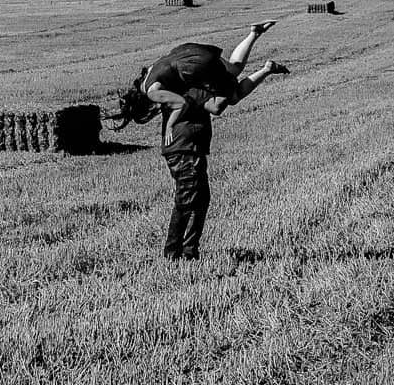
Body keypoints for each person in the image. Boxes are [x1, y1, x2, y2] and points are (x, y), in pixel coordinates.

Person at [109, 21, 288, 260]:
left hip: (190, 147)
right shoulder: (190, 90)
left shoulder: (181, 86)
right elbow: (218, 105)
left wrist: (243, 80)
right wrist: (223, 87)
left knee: (199, 199)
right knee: (188, 197)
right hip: (183, 148)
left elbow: (230, 96)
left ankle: (189, 251)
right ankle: (173, 253)